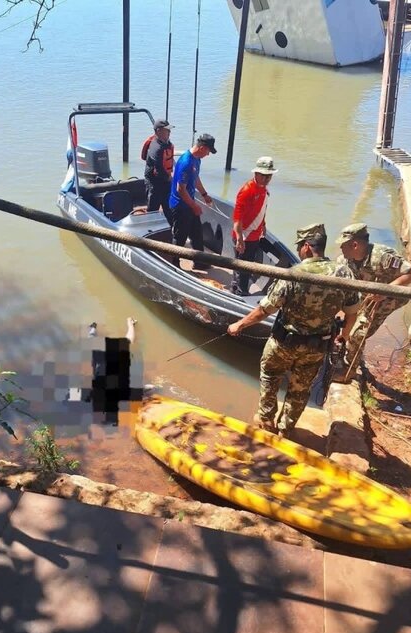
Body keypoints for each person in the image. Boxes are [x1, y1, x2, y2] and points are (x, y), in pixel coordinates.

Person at [227, 223, 360, 437]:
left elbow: (265, 310)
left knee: (270, 375)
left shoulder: (294, 274)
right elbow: (352, 312)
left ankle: (266, 422)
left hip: (284, 344)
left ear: (306, 246)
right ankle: (285, 430)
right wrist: (343, 336)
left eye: (299, 246)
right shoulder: (344, 274)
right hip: (317, 347)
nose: (298, 250)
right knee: (301, 388)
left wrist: (239, 325)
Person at [336, 223, 411, 369]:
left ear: (355, 245)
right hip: (367, 295)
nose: (340, 248)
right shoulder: (344, 260)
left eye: (343, 245)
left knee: (359, 333)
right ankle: (351, 350)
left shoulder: (382, 257)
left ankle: (350, 368)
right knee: (347, 322)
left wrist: (384, 291)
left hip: (390, 297)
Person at [231, 156, 278, 296]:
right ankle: (240, 292)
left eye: (269, 176)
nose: (266, 178)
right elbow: (237, 219)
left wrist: (263, 225)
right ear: (256, 174)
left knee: (247, 265)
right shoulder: (247, 191)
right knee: (242, 267)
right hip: (244, 236)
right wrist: (239, 238)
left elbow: (262, 210)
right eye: (263, 175)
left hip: (255, 235)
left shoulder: (264, 190)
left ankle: (239, 288)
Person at [169, 133, 217, 270]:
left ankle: (199, 261)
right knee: (180, 236)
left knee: (196, 233)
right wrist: (194, 206)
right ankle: (174, 263)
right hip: (180, 205)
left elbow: (195, 178)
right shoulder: (186, 162)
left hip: (189, 203)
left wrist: (204, 194)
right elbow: (180, 189)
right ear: (202, 148)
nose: (208, 154)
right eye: (208, 151)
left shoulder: (197, 160)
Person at [143, 119, 175, 223]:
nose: (169, 132)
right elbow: (159, 168)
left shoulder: (167, 143)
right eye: (167, 130)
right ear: (158, 131)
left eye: (169, 130)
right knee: (153, 209)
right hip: (154, 182)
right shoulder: (155, 147)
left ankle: (171, 227)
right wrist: (169, 178)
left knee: (168, 207)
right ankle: (150, 227)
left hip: (165, 180)